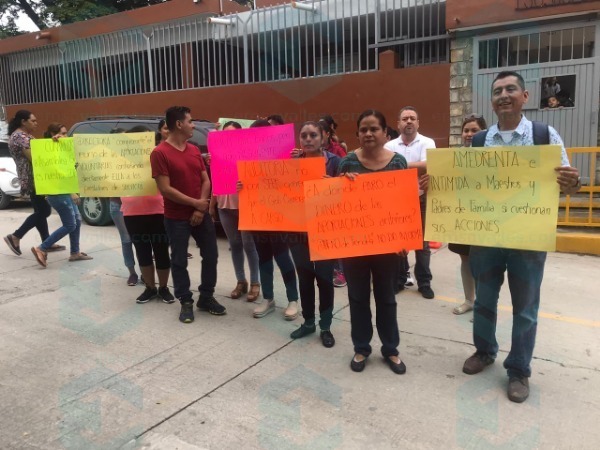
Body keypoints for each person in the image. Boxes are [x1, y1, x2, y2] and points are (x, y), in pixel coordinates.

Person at [462, 70, 580, 403]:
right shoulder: (479, 141)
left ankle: (518, 370)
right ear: (492, 101)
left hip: (528, 239)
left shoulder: (544, 135)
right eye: (497, 91)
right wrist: (438, 185)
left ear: (524, 96)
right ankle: (484, 351)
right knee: (484, 301)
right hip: (487, 237)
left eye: (510, 89)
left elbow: (568, 183)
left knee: (525, 308)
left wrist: (573, 182)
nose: (503, 95)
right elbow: (465, 184)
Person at [340, 109, 428, 374]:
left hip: (388, 246)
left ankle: (390, 349)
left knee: (386, 298)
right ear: (357, 134)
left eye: (374, 129)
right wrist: (341, 184)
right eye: (363, 129)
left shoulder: (398, 162)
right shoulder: (347, 163)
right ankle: (361, 347)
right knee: (357, 298)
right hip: (354, 245)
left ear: (385, 133)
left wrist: (404, 239)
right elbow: (336, 204)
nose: (368, 133)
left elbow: (405, 204)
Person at [150, 106, 225, 324]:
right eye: (190, 121)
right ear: (178, 124)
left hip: (200, 213)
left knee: (211, 255)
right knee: (179, 260)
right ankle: (185, 300)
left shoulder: (193, 149)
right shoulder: (159, 153)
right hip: (176, 218)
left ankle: (206, 297)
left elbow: (205, 180)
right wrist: (195, 204)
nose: (193, 125)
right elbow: (165, 189)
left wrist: (200, 209)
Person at [237, 119, 300, 320]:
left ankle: (293, 299)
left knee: (282, 257)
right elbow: (238, 182)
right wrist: (239, 186)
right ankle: (268, 298)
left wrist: (297, 159)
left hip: (279, 215)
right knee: (263, 258)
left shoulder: (284, 155)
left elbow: (298, 178)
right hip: (258, 215)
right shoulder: (248, 159)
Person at [287, 121, 342, 347]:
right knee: (305, 278)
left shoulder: (336, 162)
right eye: (304, 136)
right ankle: (308, 322)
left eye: (313, 135)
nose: (308, 139)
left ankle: (326, 326)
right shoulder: (292, 164)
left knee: (325, 279)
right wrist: (246, 186)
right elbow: (277, 191)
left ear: (323, 137)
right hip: (298, 231)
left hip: (326, 231)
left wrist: (335, 186)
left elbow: (348, 195)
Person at [384, 106, 435, 299]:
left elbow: (428, 165)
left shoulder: (427, 142)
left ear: (418, 123)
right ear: (398, 124)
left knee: (422, 243)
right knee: (399, 242)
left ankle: (424, 282)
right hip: (396, 200)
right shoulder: (390, 146)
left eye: (413, 118)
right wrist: (415, 167)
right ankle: (400, 279)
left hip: (421, 197)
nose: (409, 121)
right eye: (405, 118)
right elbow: (385, 168)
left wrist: (399, 164)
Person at [208, 121, 261, 302]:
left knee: (249, 245)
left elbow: (259, 179)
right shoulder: (217, 155)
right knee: (235, 245)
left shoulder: (249, 155)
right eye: (225, 133)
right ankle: (241, 281)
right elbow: (216, 181)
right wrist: (212, 205)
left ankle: (255, 283)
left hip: (244, 206)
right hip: (224, 206)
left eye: (232, 133)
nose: (228, 136)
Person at [121, 126, 174, 304]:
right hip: (132, 213)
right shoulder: (119, 160)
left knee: (161, 251)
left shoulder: (159, 155)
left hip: (158, 211)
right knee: (142, 251)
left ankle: (164, 288)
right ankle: (150, 288)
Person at [4, 110, 66, 256]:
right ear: (23, 122)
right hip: (33, 179)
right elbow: (35, 158)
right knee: (44, 211)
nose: (36, 123)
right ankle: (15, 236)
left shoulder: (25, 136)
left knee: (40, 211)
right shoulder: (20, 137)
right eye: (33, 121)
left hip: (33, 177)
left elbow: (41, 150)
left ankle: (46, 241)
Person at [31, 123, 92, 267]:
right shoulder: (51, 150)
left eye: (66, 133)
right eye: (63, 133)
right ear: (54, 135)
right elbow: (60, 174)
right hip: (59, 193)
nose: (66, 136)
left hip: (66, 191)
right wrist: (71, 192)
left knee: (77, 221)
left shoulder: (65, 149)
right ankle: (42, 248)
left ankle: (75, 252)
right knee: (70, 224)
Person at [449, 114, 487, 315]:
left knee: (483, 261)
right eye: (466, 130)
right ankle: (469, 301)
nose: (469, 134)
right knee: (465, 259)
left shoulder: (493, 156)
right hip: (461, 215)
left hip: (484, 216)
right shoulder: (453, 158)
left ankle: (483, 305)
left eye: (474, 130)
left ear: (484, 132)